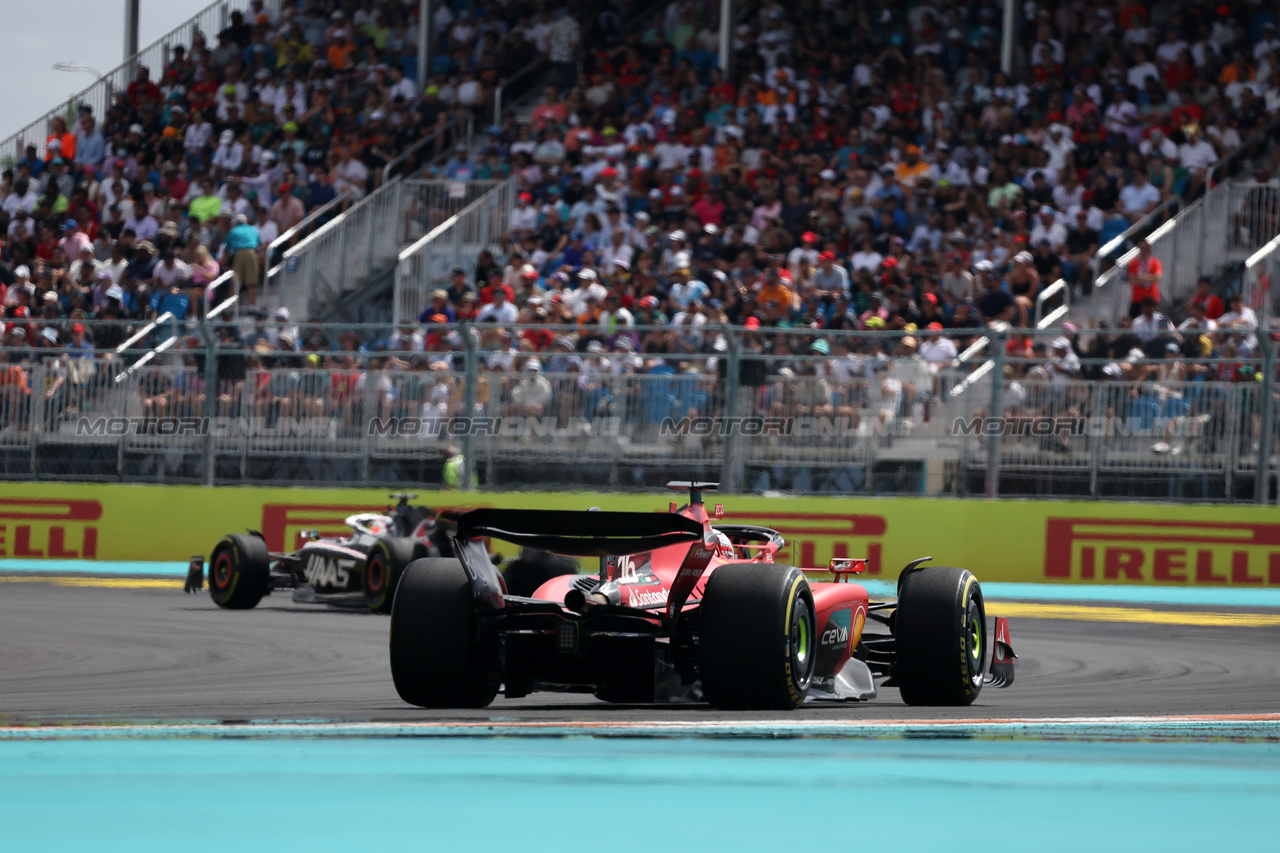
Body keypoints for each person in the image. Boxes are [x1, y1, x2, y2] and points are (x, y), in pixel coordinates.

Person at [223, 213, 261, 305]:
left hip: (238, 254)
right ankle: (251, 306)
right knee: (252, 283)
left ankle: (231, 307)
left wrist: (228, 263)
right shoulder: (254, 230)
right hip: (251, 253)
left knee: (235, 282)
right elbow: (259, 244)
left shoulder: (233, 231)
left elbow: (227, 249)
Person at [1125, 240, 1162, 318]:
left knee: (1155, 321)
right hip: (1137, 298)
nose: (1144, 250)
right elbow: (1132, 280)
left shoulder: (1155, 262)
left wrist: (1140, 277)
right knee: (1132, 322)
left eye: (1146, 248)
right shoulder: (1133, 263)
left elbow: (1157, 278)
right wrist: (1149, 278)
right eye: (1142, 248)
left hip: (1152, 298)